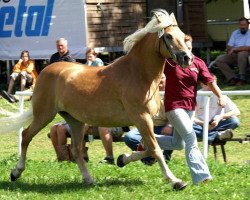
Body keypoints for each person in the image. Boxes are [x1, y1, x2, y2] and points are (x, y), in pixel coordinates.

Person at [124, 74, 174, 164]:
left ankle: (165, 157)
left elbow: (175, 113)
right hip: (146, 126)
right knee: (129, 137)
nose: (159, 80)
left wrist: (169, 125)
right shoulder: (147, 93)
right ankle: (149, 157)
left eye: (162, 78)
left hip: (164, 126)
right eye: (156, 78)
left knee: (173, 132)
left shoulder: (172, 93)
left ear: (167, 79)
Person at [193, 74, 240, 144]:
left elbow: (236, 111)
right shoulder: (197, 96)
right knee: (187, 125)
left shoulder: (221, 95)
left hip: (217, 124)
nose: (211, 87)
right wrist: (204, 123)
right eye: (208, 84)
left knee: (234, 121)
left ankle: (209, 135)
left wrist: (220, 117)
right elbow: (190, 117)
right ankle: (217, 135)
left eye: (213, 84)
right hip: (200, 125)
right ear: (201, 84)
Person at [214, 17, 250, 86]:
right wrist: (232, 49)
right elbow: (229, 46)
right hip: (234, 54)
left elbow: (248, 48)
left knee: (242, 53)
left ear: (248, 25)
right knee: (219, 60)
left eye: (244, 25)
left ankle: (242, 78)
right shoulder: (235, 33)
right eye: (241, 25)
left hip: (247, 56)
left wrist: (235, 49)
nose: (242, 27)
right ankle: (233, 78)